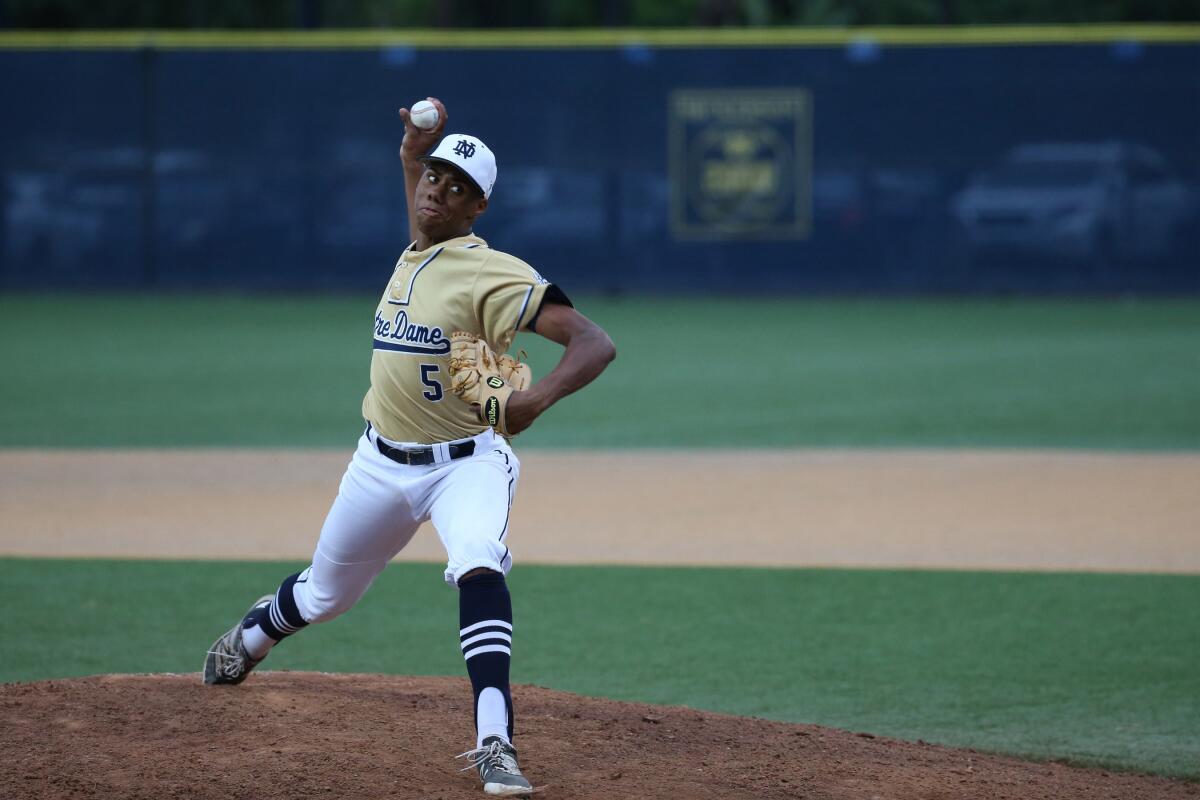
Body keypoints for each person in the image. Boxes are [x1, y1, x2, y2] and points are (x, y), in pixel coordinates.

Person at [202, 97, 616, 797]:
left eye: (458, 188)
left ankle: (495, 740)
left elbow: (595, 342)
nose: (437, 191)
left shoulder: (492, 273)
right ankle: (252, 637)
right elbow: (422, 206)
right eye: (432, 177)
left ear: (477, 208)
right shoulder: (419, 247)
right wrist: (409, 153)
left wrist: (532, 402)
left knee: (480, 563)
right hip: (377, 464)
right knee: (326, 595)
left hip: (467, 464)